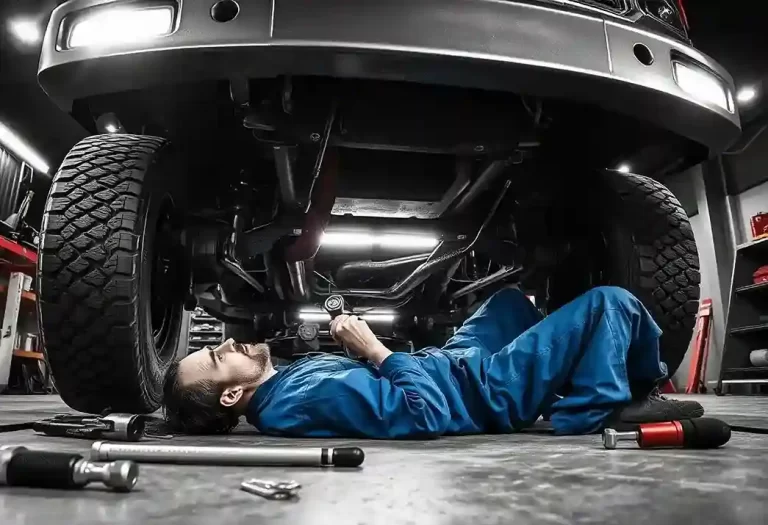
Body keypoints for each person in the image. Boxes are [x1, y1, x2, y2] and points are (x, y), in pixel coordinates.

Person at [163, 286, 703, 438]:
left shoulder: (283, 388)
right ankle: (603, 406)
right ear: (232, 395)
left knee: (509, 302)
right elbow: (423, 414)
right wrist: (376, 349)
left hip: (453, 363)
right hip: (486, 391)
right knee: (614, 302)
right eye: (217, 356)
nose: (228, 344)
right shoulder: (303, 401)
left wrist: (356, 348)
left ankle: (587, 379)